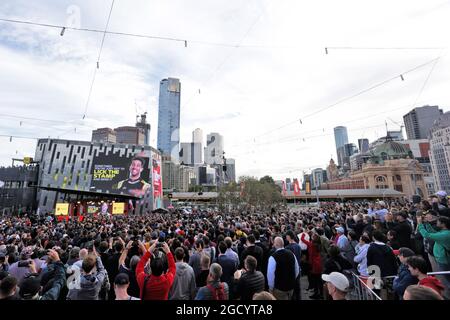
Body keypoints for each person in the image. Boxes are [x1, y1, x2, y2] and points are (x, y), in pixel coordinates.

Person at [417, 215, 450, 291]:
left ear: (443, 224)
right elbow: (433, 232)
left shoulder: (444, 235)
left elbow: (427, 235)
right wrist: (426, 223)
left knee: (447, 278)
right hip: (442, 259)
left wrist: (420, 224)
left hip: (444, 260)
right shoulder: (444, 232)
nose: (436, 222)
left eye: (438, 221)